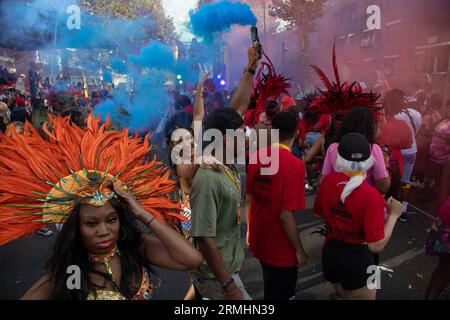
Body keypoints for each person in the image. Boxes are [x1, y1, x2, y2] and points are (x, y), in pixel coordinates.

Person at [0, 113, 202, 300]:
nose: (104, 231)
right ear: (76, 228)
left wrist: (141, 213)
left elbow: (191, 259)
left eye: (111, 220)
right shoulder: (73, 271)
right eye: (91, 223)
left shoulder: (135, 248)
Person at [314, 133, 403, 300]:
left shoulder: (327, 182)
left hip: (331, 252)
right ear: (370, 161)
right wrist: (394, 215)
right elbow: (376, 246)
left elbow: (318, 213)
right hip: (360, 259)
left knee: (346, 296)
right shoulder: (371, 196)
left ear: (338, 157)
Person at [189, 108, 252, 300]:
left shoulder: (227, 165)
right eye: (242, 133)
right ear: (225, 138)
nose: (247, 138)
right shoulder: (208, 178)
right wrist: (228, 285)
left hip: (225, 270)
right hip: (218, 278)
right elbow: (204, 237)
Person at [246, 111, 308, 300]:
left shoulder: (257, 156)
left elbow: (249, 199)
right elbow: (285, 215)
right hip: (280, 246)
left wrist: (250, 230)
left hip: (260, 235)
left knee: (270, 286)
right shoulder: (295, 165)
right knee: (281, 292)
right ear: (296, 133)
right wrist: (299, 249)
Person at [322, 107, 391, 195]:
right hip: (364, 201)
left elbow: (324, 181)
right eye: (375, 123)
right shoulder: (373, 149)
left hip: (337, 200)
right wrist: (385, 166)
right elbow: (383, 187)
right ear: (370, 127)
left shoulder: (333, 148)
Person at [384, 89, 422, 222]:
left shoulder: (390, 117)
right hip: (411, 151)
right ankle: (404, 210)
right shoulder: (415, 114)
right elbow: (416, 132)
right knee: (406, 180)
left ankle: (389, 209)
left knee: (391, 178)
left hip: (395, 152)